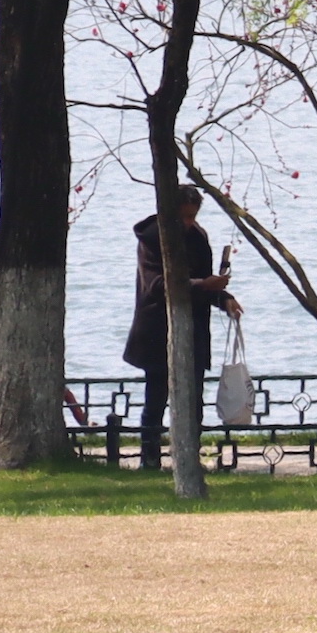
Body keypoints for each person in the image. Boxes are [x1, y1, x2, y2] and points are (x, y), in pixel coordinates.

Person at [125, 188, 243, 472]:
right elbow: (157, 286)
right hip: (157, 329)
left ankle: (189, 457)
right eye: (185, 217)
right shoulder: (153, 239)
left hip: (194, 329)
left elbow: (204, 283)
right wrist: (203, 285)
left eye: (193, 217)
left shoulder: (198, 237)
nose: (190, 223)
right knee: (156, 399)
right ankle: (150, 458)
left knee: (193, 400)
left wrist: (223, 298)